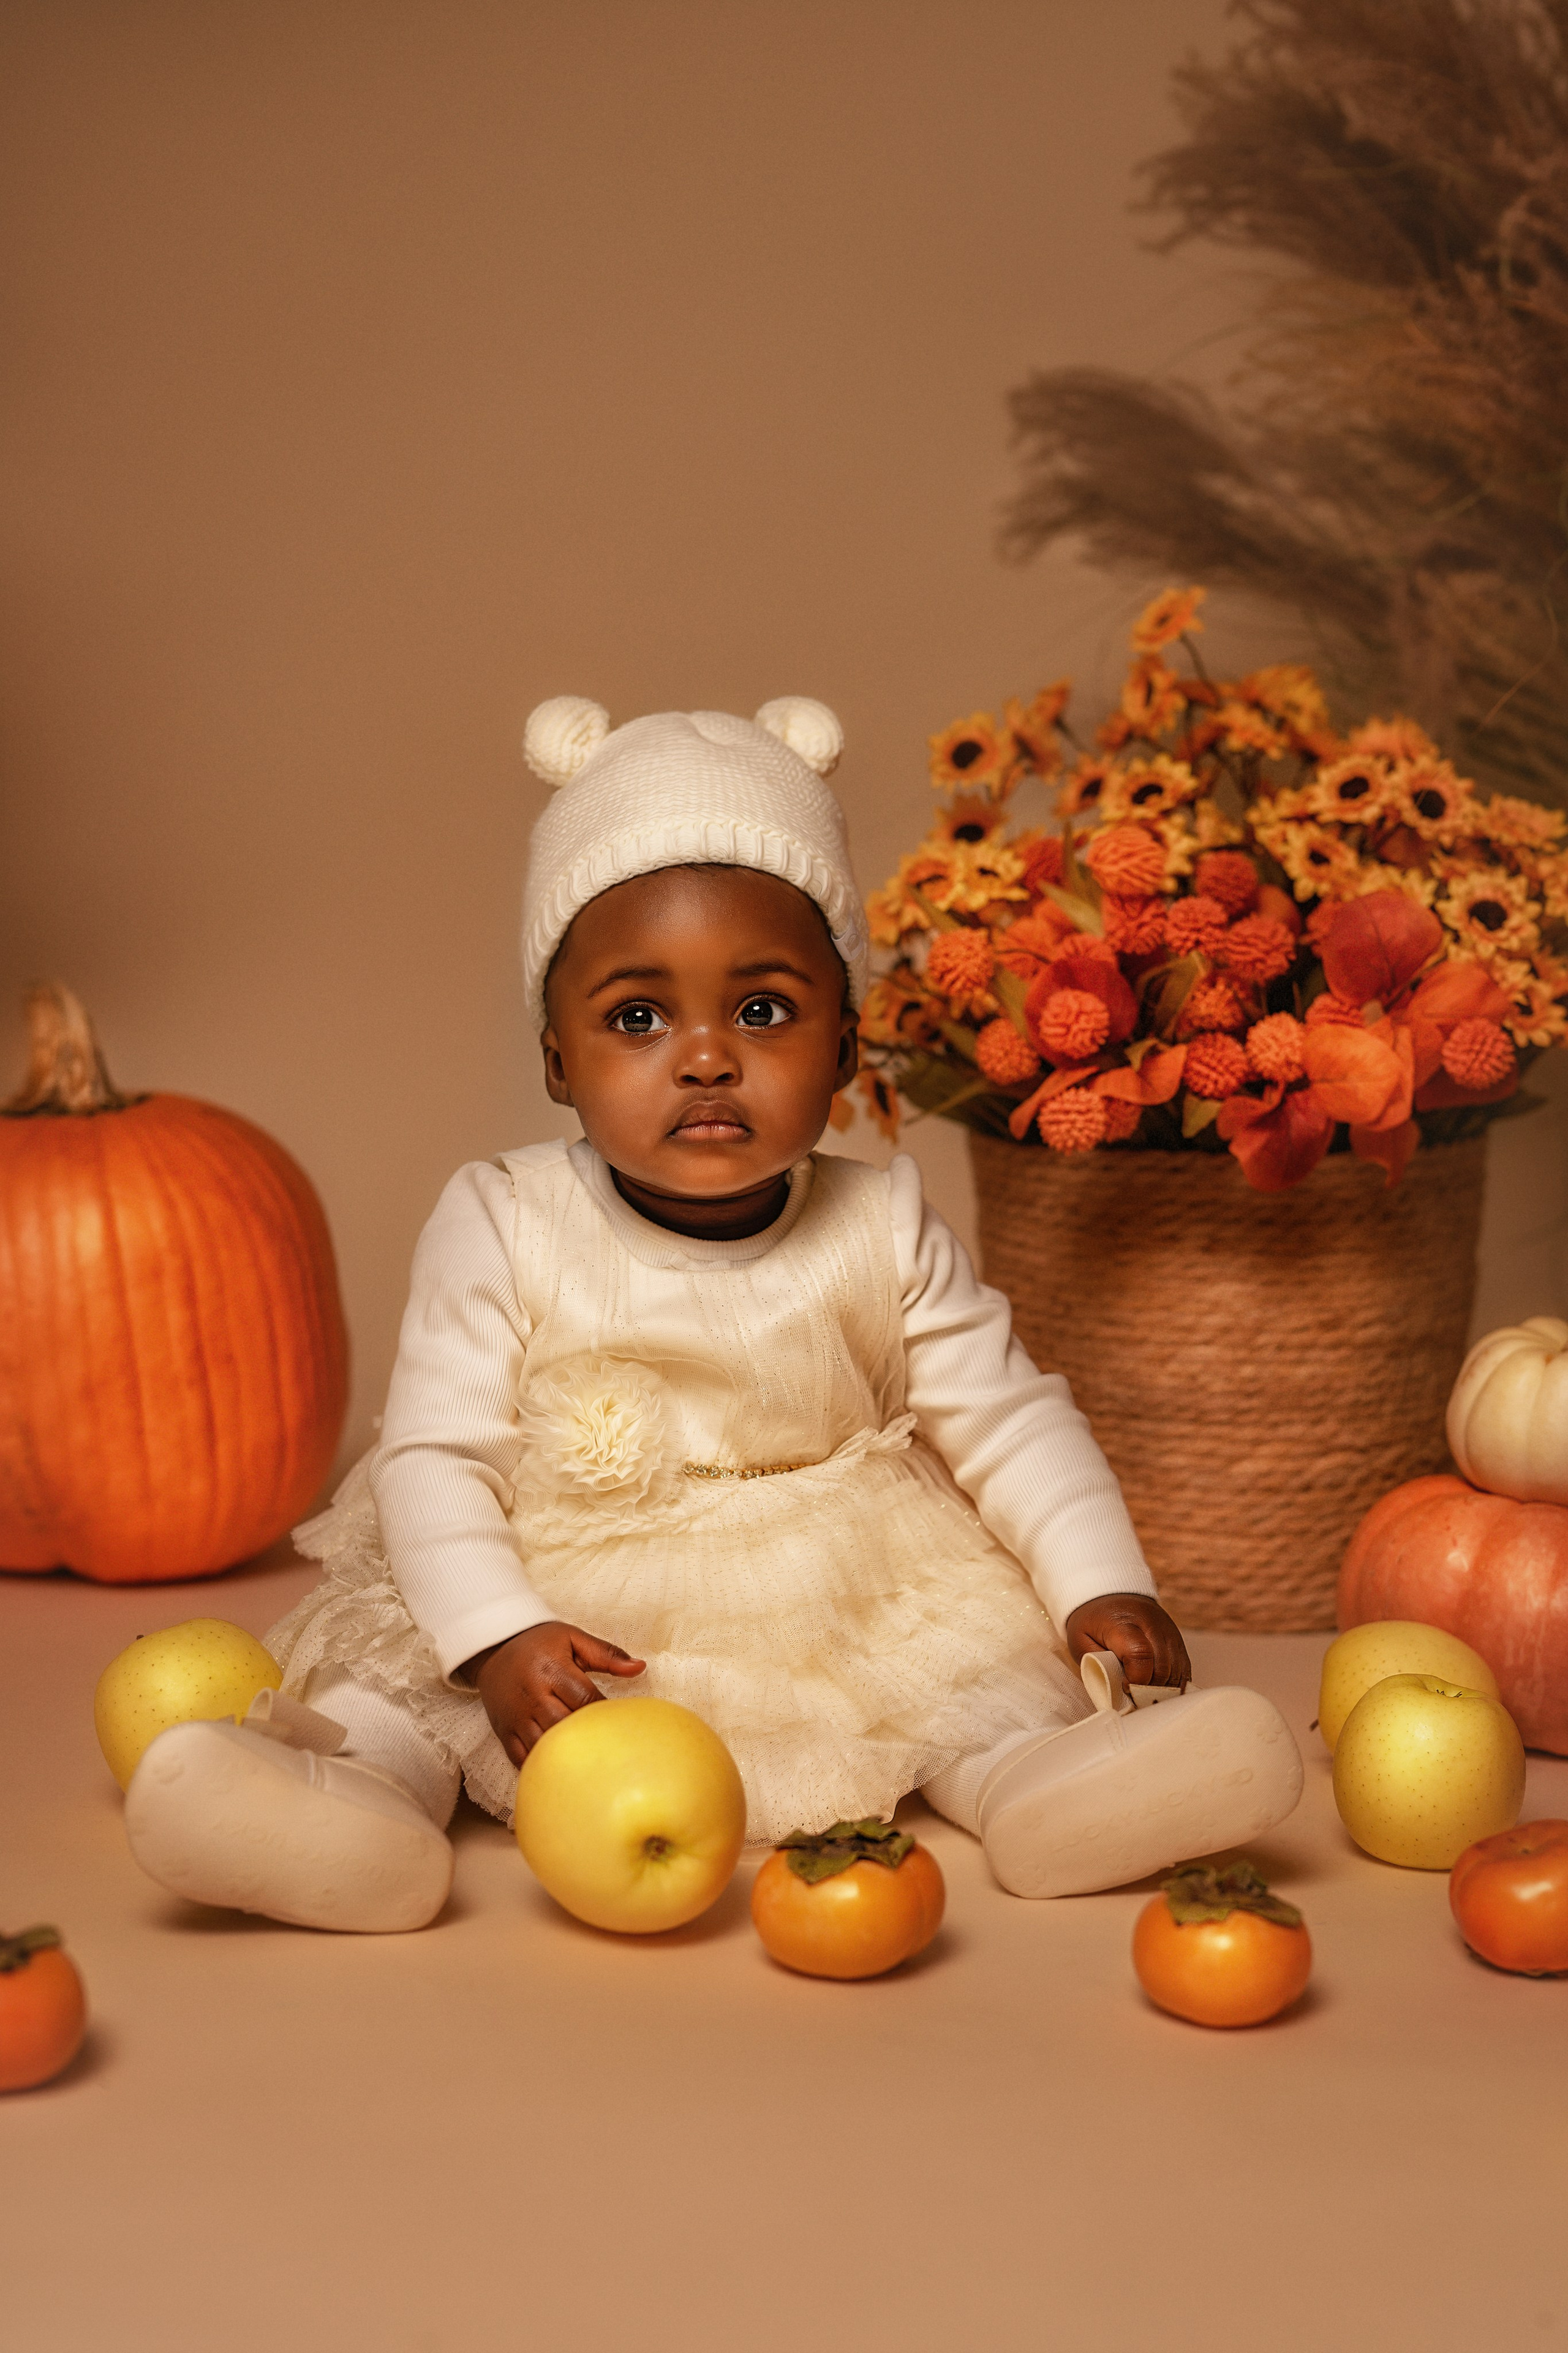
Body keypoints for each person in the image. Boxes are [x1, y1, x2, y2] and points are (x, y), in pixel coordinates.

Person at [124, 696, 1301, 1933]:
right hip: (563, 1582)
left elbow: (1009, 1421)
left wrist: (1101, 1585)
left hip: (838, 1582)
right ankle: (353, 1801)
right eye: (638, 1017)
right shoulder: (504, 1216)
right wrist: (497, 1633)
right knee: (408, 1682)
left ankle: (1048, 1789)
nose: (703, 1058)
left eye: (762, 1010)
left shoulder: (882, 1221)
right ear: (557, 1059)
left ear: (843, 1049)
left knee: (960, 1684)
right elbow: (435, 1454)